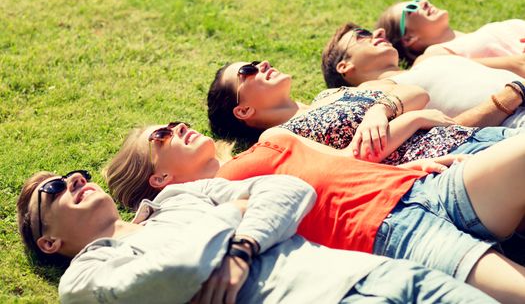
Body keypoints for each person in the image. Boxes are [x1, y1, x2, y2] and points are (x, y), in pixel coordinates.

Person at [105, 121, 525, 302]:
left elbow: (342, 160)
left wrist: (401, 168)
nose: (176, 128)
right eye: (160, 137)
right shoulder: (205, 205)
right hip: (389, 234)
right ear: (157, 179)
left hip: (423, 187)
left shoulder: (271, 138)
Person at [16, 172, 494, 304]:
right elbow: (171, 272)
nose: (74, 181)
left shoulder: (181, 196)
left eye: (75, 175)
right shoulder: (83, 279)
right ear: (48, 242)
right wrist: (234, 211)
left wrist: (242, 249)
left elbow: (290, 188)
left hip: (380, 272)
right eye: (55, 189)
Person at [208, 59, 521, 164]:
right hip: (447, 161)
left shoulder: (332, 94)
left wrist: (380, 111)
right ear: (243, 110)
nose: (261, 64)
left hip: (471, 136)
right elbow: (355, 160)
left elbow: (415, 93)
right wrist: (412, 119)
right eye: (247, 71)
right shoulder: (280, 136)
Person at [322, 23, 525, 128]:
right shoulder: (373, 95)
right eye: (362, 35)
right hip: (514, 122)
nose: (379, 32)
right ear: (344, 66)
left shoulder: (426, 61)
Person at [376, 0, 525, 69]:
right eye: (411, 8)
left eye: (418, 0)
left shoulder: (474, 36)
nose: (424, 2)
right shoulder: (435, 54)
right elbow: (425, 67)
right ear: (408, 38)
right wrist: (517, 62)